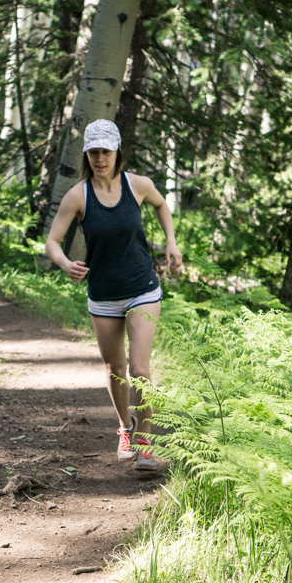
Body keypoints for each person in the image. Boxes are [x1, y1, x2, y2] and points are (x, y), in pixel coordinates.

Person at [45, 118, 182, 471]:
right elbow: (52, 241)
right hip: (103, 294)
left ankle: (145, 444)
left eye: (105, 151)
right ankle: (125, 428)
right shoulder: (78, 195)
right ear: (86, 155)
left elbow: (161, 205)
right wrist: (64, 263)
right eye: (93, 152)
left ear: (117, 151)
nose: (99, 158)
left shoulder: (138, 185)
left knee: (139, 369)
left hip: (142, 289)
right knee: (115, 369)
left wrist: (171, 241)